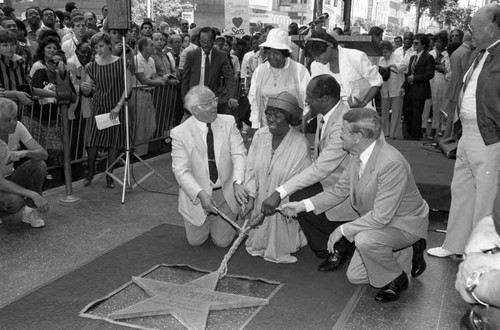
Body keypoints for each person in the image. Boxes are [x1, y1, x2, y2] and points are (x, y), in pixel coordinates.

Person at [281, 108, 429, 302]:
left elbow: (380, 217)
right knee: (356, 276)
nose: (339, 134)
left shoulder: (391, 163)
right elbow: (339, 191)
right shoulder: (356, 154)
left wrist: (341, 230)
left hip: (402, 222)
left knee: (365, 241)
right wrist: (302, 205)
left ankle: (398, 279)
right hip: (381, 220)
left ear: (358, 136)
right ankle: (406, 251)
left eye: (343, 131)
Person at [261, 75, 358, 271]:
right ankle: (328, 243)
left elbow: (321, 168)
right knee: (297, 193)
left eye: (310, 98)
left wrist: (279, 192)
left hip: (346, 188)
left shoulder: (342, 123)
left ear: (325, 99)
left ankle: (341, 244)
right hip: (329, 179)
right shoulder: (325, 113)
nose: (307, 102)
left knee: (296, 196)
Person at [427, 4, 500, 258]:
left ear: (492, 28)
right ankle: (454, 244)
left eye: (476, 28)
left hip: (489, 135)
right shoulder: (478, 53)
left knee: (485, 195)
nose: (471, 33)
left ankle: (480, 251)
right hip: (467, 131)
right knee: (462, 188)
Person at [170, 85, 247, 247]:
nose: (214, 106)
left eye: (215, 100)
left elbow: (239, 154)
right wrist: (200, 194)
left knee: (222, 243)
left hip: (225, 193)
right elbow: (181, 171)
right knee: (195, 242)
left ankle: (229, 214)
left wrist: (238, 182)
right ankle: (206, 218)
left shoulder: (228, 121)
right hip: (198, 195)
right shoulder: (179, 133)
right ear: (195, 110)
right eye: (208, 103)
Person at [242, 91, 310, 263]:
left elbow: (297, 182)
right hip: (259, 203)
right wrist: (250, 197)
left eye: (277, 115)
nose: (271, 119)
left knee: (282, 243)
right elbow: (249, 169)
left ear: (289, 119)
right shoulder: (259, 135)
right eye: (269, 114)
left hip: (283, 207)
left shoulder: (300, 144)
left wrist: (276, 198)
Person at [82, 32, 132, 189]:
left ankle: (109, 176)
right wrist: (84, 87)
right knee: (92, 143)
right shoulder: (93, 66)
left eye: (101, 46)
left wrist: (118, 106)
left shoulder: (121, 63)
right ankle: (90, 172)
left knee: (113, 144)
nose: (99, 50)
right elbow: (87, 89)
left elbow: (128, 87)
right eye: (96, 47)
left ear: (109, 45)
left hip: (114, 108)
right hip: (98, 107)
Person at [0, 98, 49, 228]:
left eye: (15, 118)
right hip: (1, 182)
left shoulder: (18, 127)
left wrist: (25, 153)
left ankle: (31, 211)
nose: (14, 123)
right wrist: (33, 194)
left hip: (9, 177)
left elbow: (43, 154)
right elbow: (0, 182)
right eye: (8, 120)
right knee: (16, 202)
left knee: (39, 165)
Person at [248, 28, 310, 130]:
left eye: (276, 53)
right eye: (268, 52)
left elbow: (307, 101)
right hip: (266, 127)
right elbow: (254, 101)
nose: (271, 57)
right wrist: (255, 126)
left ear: (285, 54)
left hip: (292, 129)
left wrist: (304, 121)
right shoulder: (259, 71)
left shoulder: (299, 71)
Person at [305, 30, 382, 109]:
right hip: (331, 114)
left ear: (330, 45)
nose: (317, 60)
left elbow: (376, 81)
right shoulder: (316, 65)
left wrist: (363, 103)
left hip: (359, 113)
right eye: (314, 57)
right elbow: (314, 92)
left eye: (319, 55)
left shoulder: (355, 57)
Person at [182, 27, 238, 115]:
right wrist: (185, 100)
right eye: (203, 42)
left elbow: (229, 78)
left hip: (215, 98)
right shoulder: (191, 55)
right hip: (195, 99)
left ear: (213, 41)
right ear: (199, 41)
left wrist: (232, 97)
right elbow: (185, 79)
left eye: (208, 42)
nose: (205, 45)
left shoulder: (221, 56)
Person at [132, 37, 164, 156]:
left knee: (150, 125)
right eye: (151, 44)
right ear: (144, 47)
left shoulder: (151, 60)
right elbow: (143, 80)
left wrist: (164, 79)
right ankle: (138, 154)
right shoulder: (136, 60)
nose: (153, 45)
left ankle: (142, 152)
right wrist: (161, 82)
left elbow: (154, 77)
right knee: (140, 125)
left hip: (149, 94)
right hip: (139, 94)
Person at [402, 33, 435, 140]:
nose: (414, 45)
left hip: (420, 90)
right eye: (414, 43)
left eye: (416, 43)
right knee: (407, 111)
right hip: (410, 89)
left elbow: (430, 74)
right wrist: (403, 86)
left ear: (424, 45)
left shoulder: (428, 57)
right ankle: (409, 133)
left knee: (417, 113)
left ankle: (416, 135)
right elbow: (409, 74)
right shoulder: (412, 57)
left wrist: (415, 78)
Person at [425, 31, 451, 139]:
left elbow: (450, 72)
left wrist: (443, 68)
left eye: (440, 42)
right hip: (431, 80)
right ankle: (429, 128)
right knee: (430, 105)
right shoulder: (431, 54)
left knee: (441, 106)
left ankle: (440, 129)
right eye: (436, 42)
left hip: (443, 81)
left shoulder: (448, 55)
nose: (437, 44)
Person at [378, 40, 405, 139]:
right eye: (382, 52)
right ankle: (385, 132)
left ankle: (394, 133)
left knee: (396, 112)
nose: (384, 54)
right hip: (384, 89)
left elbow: (404, 66)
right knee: (384, 112)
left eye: (386, 52)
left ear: (390, 50)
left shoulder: (398, 57)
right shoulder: (380, 59)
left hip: (396, 88)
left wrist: (393, 66)